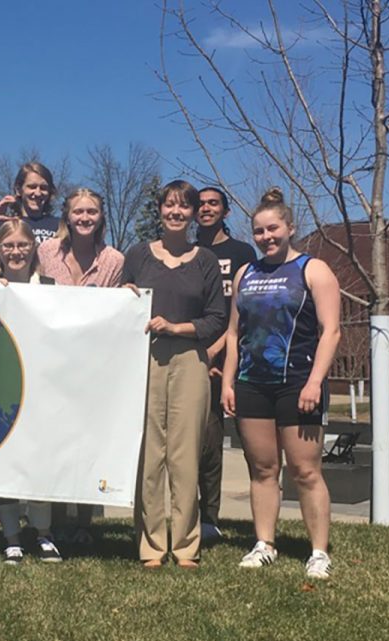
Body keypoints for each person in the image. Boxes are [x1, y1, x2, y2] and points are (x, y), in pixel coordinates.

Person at [222, 187, 341, 580]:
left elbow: (331, 332)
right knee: (262, 468)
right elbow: (234, 333)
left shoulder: (313, 269)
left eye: (273, 229)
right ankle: (264, 543)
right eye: (258, 231)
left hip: (298, 383)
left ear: (290, 228)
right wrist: (228, 382)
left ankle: (319, 552)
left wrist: (314, 382)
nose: (266, 237)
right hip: (252, 383)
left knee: (305, 471)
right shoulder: (246, 273)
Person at [122, 179, 226, 569]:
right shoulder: (138, 255)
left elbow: (216, 319)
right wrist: (126, 295)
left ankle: (184, 546)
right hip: (145, 361)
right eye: (169, 205)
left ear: (194, 213)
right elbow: (122, 304)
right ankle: (150, 545)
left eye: (184, 206)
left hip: (190, 362)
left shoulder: (205, 261)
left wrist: (176, 328)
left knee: (184, 456)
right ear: (160, 210)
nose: (176, 212)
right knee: (149, 456)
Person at [38, 188, 124, 544]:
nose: (85, 217)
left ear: (101, 217)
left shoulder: (114, 261)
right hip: (51, 362)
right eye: (78, 212)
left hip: (93, 365)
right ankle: (56, 522)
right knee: (55, 444)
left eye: (91, 212)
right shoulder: (46, 252)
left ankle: (84, 523)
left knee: (89, 444)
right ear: (67, 216)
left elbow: (116, 313)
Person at [0, 219, 62, 563]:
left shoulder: (50, 285)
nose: (16, 252)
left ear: (33, 248)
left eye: (22, 245)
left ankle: (44, 534)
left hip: (40, 388)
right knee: (7, 465)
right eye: (8, 246)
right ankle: (11, 536)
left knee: (40, 463)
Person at [195, 186, 256, 542]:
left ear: (225, 211)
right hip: (191, 359)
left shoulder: (241, 253)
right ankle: (185, 514)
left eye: (213, 203)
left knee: (213, 444)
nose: (205, 209)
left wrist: (216, 353)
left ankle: (210, 518)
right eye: (200, 204)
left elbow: (245, 311)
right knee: (191, 443)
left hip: (227, 361)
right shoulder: (188, 251)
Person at [0, 162, 60, 244]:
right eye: (32, 187)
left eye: (43, 188)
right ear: (18, 190)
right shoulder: (6, 225)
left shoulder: (60, 226)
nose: (38, 193)